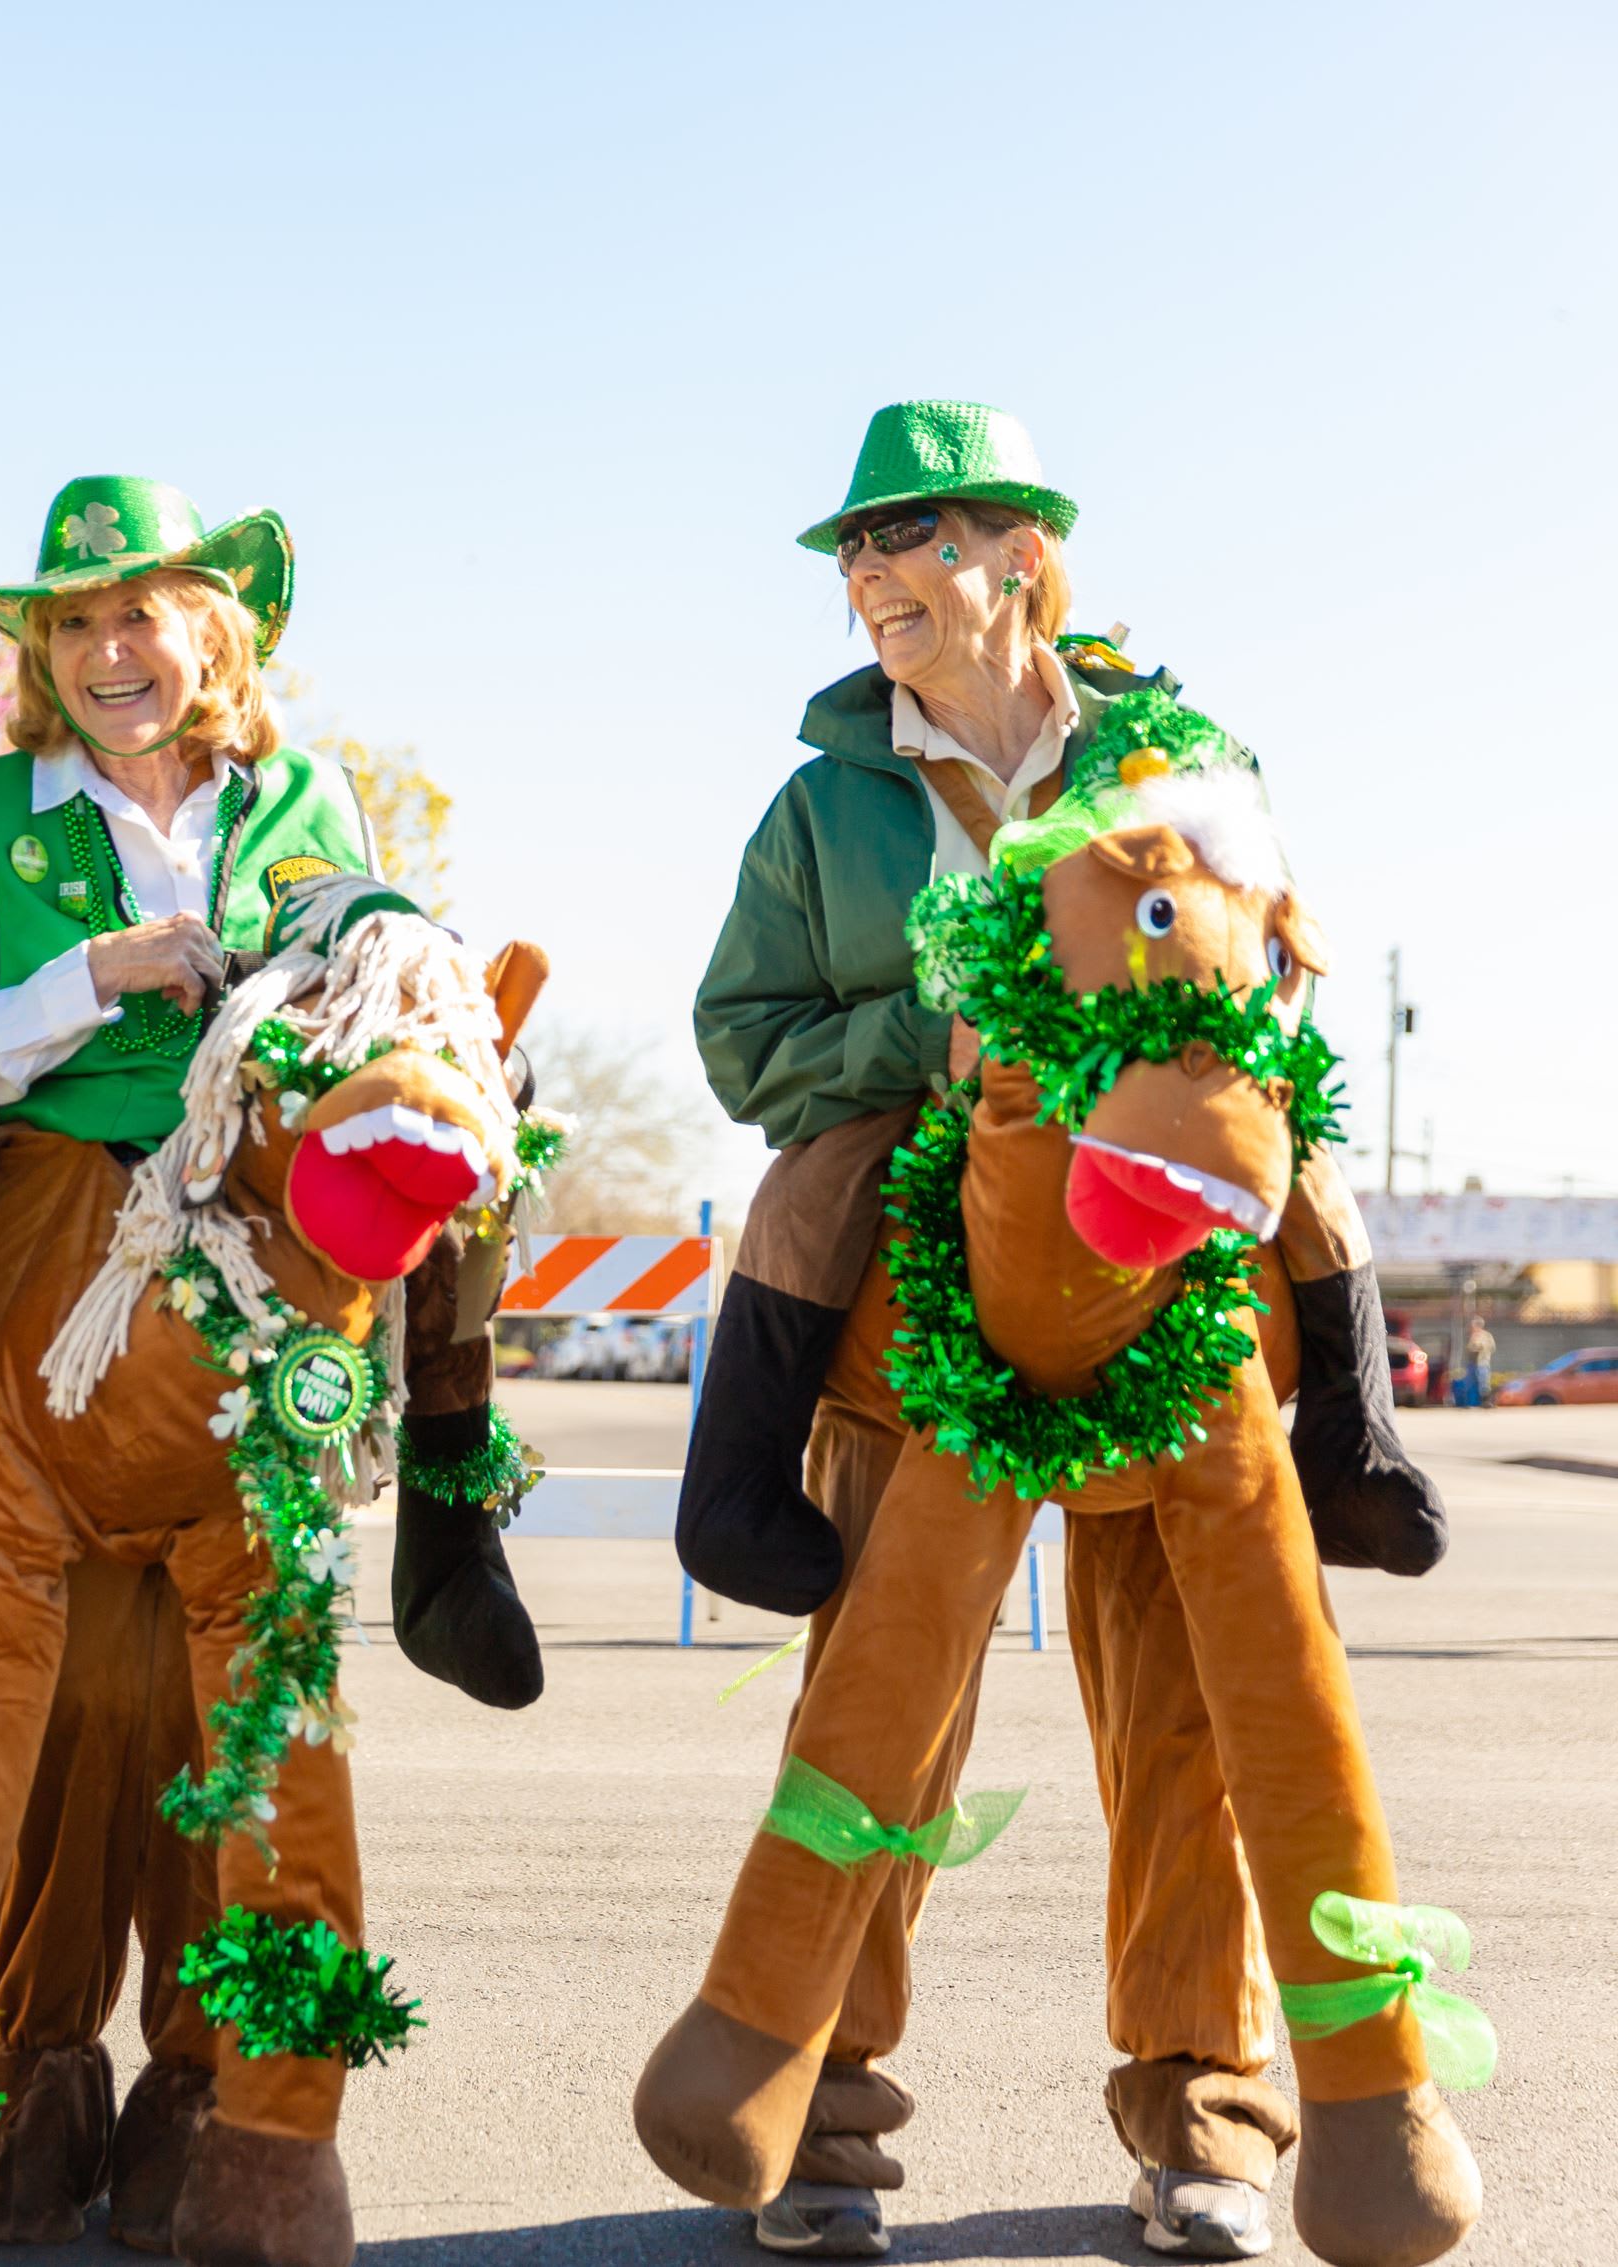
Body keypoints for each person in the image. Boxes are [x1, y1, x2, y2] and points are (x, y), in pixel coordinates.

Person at [676, 401, 1447, 2258]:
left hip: (1160, 1277)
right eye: (853, 554)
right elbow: (742, 1038)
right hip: (906, 1289)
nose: (869, 579)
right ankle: (819, 2115)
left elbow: (1255, 977)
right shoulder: (822, 806)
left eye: (904, 539)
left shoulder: (1182, 755)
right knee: (882, 1713)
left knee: (1194, 1718)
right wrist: (923, 1047)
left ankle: (1212, 2123)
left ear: (1016, 553)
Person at [0, 475, 537, 2250]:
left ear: (217, 631)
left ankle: (222, 2085)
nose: (104, 649)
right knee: (65, 1700)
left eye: (140, 610)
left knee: (240, 1700)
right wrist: (88, 976)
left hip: (256, 1265)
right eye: (69, 622)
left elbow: (374, 979)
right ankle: (35, 2057)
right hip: (58, 1269)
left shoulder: (309, 804)